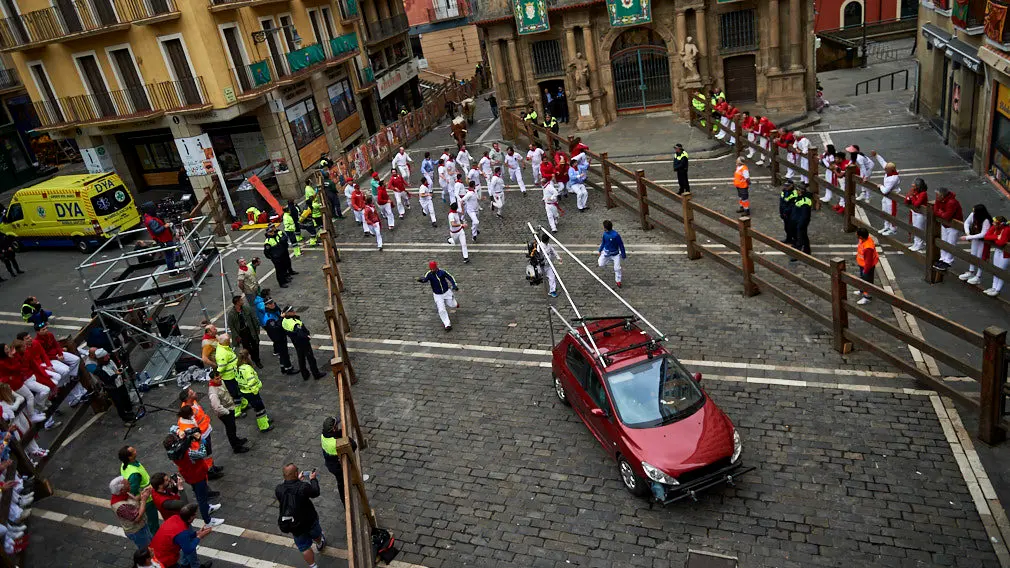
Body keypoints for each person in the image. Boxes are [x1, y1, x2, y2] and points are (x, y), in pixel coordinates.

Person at [276, 464, 326, 568]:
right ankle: (320, 544)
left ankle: (313, 566)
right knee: (316, 534)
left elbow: (289, 493)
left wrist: (297, 480)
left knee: (304, 547)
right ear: (295, 474)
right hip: (309, 520)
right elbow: (315, 492)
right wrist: (313, 479)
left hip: (295, 526)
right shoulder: (303, 487)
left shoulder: (279, 489)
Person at [34, 321, 85, 406]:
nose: (46, 330)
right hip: (50, 359)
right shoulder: (37, 342)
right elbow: (43, 355)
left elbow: (56, 345)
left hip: (57, 354)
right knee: (64, 372)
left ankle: (72, 376)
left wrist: (60, 353)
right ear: (38, 332)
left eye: (46, 328)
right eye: (43, 329)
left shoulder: (50, 335)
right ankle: (64, 383)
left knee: (76, 360)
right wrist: (56, 357)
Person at [150, 503, 213, 568]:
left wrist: (196, 533)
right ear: (190, 518)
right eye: (194, 514)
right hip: (164, 560)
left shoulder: (175, 518)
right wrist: (199, 536)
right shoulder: (182, 532)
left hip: (156, 554)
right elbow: (188, 549)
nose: (196, 516)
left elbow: (180, 538)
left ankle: (186, 565)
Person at [320, 415, 364, 505]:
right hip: (337, 466)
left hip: (330, 463)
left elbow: (336, 434)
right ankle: (346, 503)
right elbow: (353, 445)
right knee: (342, 484)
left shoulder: (324, 435)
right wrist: (347, 438)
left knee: (341, 482)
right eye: (336, 425)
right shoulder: (334, 443)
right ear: (333, 429)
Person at [118, 445, 160, 534]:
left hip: (147, 497)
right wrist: (144, 496)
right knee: (153, 522)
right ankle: (155, 540)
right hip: (148, 500)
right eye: (133, 451)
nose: (136, 451)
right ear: (129, 457)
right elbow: (133, 493)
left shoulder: (124, 464)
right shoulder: (134, 475)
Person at [177, 388, 218, 475]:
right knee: (207, 453)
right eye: (192, 393)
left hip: (205, 430)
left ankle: (212, 467)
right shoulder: (188, 412)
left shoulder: (193, 402)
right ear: (188, 398)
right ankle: (210, 471)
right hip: (202, 435)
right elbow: (191, 426)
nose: (195, 393)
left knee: (209, 452)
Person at [207, 371, 250, 454]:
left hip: (230, 407)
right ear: (212, 380)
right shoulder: (213, 392)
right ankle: (236, 448)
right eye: (217, 379)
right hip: (225, 413)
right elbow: (216, 407)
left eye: (220, 377)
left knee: (233, 427)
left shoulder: (220, 383)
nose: (220, 379)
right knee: (230, 430)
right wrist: (227, 412)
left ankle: (236, 440)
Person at [109, 476, 154, 551]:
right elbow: (137, 518)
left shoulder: (124, 494)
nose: (130, 484)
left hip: (142, 526)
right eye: (128, 484)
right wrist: (144, 500)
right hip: (137, 531)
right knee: (147, 550)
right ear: (121, 490)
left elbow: (134, 500)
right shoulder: (121, 506)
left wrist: (143, 493)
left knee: (152, 544)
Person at [95, 348, 135, 426]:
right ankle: (125, 418)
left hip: (120, 383)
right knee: (119, 403)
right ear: (101, 359)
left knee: (125, 397)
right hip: (113, 388)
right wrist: (116, 374)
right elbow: (108, 380)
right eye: (106, 356)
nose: (108, 357)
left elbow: (117, 368)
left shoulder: (110, 360)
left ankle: (129, 410)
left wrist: (122, 376)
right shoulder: (99, 370)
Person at [237, 349, 273, 433]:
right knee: (259, 409)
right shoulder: (247, 368)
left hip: (244, 391)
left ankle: (265, 420)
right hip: (251, 392)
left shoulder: (238, 367)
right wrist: (255, 390)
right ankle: (264, 426)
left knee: (259, 407)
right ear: (247, 357)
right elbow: (251, 382)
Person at [283, 310, 326, 380]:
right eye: (291, 311)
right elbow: (300, 333)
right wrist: (307, 336)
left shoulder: (284, 321)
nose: (294, 312)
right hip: (303, 342)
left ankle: (305, 375)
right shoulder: (294, 323)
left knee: (301, 358)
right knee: (311, 358)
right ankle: (316, 374)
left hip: (295, 342)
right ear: (288, 313)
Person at [417, 261, 459, 331]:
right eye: (431, 269)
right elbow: (425, 279)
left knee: (452, 305)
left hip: (446, 292)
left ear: (436, 267)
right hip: (437, 295)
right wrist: (421, 280)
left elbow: (450, 277)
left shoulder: (442, 272)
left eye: (434, 268)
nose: (433, 270)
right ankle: (447, 324)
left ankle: (456, 304)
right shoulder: (429, 274)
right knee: (441, 309)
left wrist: (454, 285)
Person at [215, 333, 248, 418]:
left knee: (238, 391)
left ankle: (243, 404)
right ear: (226, 342)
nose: (230, 341)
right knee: (235, 394)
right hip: (229, 377)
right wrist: (217, 373)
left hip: (233, 375)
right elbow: (222, 367)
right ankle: (237, 412)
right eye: (228, 340)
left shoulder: (224, 347)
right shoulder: (222, 353)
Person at [262, 296, 296, 375]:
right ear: (266, 305)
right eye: (270, 303)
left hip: (281, 334)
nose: (272, 304)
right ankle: (289, 368)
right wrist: (281, 318)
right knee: (284, 352)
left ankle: (283, 367)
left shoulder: (275, 309)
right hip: (277, 337)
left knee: (282, 353)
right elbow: (276, 328)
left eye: (272, 302)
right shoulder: (268, 317)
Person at [960, 204, 993, 285]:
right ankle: (971, 271)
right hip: (975, 238)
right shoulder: (973, 215)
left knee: (980, 257)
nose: (973, 212)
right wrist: (967, 233)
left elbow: (983, 234)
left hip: (983, 241)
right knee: (973, 255)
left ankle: (978, 276)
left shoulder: (986, 221)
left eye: (974, 211)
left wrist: (968, 237)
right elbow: (966, 223)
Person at [932, 187, 963, 272]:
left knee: (950, 243)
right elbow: (935, 211)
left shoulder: (951, 202)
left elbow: (947, 216)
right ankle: (943, 258)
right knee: (944, 241)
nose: (936, 196)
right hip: (945, 225)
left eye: (937, 195)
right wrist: (941, 212)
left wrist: (940, 212)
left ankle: (948, 261)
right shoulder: (939, 200)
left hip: (953, 226)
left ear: (942, 195)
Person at [226, 294, 262, 368]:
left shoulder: (246, 308)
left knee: (256, 344)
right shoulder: (232, 314)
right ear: (237, 302)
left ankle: (257, 359)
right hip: (242, 333)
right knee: (247, 347)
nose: (243, 301)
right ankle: (254, 358)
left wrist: (257, 328)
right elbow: (231, 326)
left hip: (250, 330)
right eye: (241, 300)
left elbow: (253, 318)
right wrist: (236, 336)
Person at [870, 151, 900, 236]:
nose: (885, 170)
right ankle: (886, 226)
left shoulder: (894, 178)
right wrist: (876, 155)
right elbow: (883, 162)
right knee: (884, 211)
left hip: (891, 197)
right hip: (886, 197)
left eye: (886, 169)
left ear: (892, 170)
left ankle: (893, 229)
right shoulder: (889, 170)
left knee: (891, 213)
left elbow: (885, 190)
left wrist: (880, 186)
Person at [984, 216, 1010, 296]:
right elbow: (986, 236)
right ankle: (993, 287)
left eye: (994, 223)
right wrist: (997, 237)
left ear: (999, 224)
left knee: (1001, 271)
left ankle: (997, 290)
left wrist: (995, 238)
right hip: (998, 251)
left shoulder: (1007, 229)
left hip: (1005, 253)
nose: (993, 224)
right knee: (995, 270)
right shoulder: (995, 227)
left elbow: (1001, 243)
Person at [597, 220, 627, 288]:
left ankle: (618, 281)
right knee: (601, 264)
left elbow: (621, 245)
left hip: (615, 254)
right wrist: (600, 250)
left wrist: (623, 254)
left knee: (617, 268)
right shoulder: (605, 234)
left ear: (605, 228)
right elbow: (603, 242)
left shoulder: (616, 235)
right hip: (606, 252)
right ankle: (608, 260)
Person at [264, 224, 294, 288]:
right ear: (268, 233)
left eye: (272, 231)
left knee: (283, 269)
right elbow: (266, 253)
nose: (272, 232)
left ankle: (285, 279)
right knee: (279, 271)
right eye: (270, 232)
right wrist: (274, 257)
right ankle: (281, 283)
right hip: (277, 258)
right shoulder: (268, 241)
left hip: (281, 256)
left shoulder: (276, 236)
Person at [904, 177, 929, 253]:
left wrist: (911, 197)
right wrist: (911, 197)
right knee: (915, 228)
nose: (912, 186)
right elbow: (906, 200)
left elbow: (916, 204)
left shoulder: (923, 193)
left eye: (914, 185)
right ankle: (916, 243)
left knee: (919, 229)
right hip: (915, 212)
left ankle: (919, 244)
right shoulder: (913, 191)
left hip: (921, 214)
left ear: (918, 186)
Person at [855, 227, 878, 305]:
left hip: (867, 267)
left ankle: (867, 297)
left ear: (861, 236)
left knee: (867, 281)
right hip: (862, 264)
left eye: (857, 234)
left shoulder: (868, 247)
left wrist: (865, 270)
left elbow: (868, 261)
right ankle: (862, 290)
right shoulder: (864, 239)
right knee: (863, 278)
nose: (856, 235)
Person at [791, 183, 813, 257]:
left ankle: (797, 255)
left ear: (800, 191)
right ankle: (807, 250)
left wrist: (800, 224)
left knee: (800, 238)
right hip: (797, 221)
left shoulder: (805, 201)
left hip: (802, 222)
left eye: (797, 190)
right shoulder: (799, 197)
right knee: (804, 236)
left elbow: (805, 215)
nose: (796, 191)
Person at [538, 232, 562, 298]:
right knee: (541, 278)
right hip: (541, 266)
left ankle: (552, 291)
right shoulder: (539, 247)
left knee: (552, 277)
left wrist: (558, 258)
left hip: (548, 265)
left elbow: (553, 251)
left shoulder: (548, 245)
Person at [779, 179, 797, 246]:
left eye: (787, 186)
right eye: (785, 185)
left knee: (792, 228)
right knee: (786, 227)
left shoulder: (794, 194)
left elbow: (792, 205)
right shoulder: (784, 191)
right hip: (784, 213)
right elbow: (781, 203)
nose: (786, 187)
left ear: (792, 186)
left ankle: (795, 241)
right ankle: (789, 239)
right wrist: (781, 212)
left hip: (791, 214)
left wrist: (786, 212)